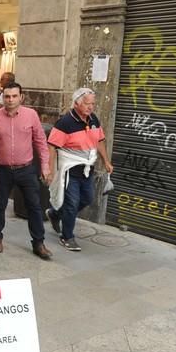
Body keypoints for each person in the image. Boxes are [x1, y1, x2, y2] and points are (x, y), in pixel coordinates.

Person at [0, 83, 52, 259]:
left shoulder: (31, 115)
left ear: (21, 97)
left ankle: (38, 243)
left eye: (14, 96)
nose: (10, 100)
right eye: (7, 96)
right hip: (2, 170)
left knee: (34, 206)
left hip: (26, 169)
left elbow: (41, 141)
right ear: (3, 97)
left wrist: (45, 166)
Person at [46, 88, 114, 252]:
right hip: (70, 170)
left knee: (88, 198)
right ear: (76, 103)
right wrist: (49, 170)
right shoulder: (65, 122)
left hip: (87, 169)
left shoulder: (93, 120)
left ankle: (56, 214)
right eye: (87, 103)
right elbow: (52, 147)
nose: (91, 107)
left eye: (93, 104)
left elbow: (99, 141)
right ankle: (67, 237)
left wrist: (106, 161)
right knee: (72, 203)